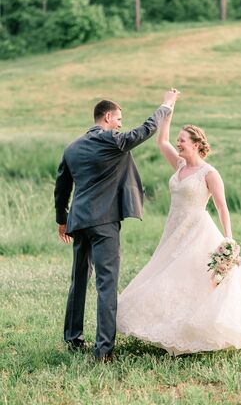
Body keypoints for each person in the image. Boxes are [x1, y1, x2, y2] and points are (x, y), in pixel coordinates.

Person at [117, 109, 241, 355]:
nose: (178, 143)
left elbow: (222, 207)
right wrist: (168, 108)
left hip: (198, 231)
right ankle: (171, 327)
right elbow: (162, 140)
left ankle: (198, 329)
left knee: (196, 278)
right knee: (170, 275)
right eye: (179, 140)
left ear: (195, 144)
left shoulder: (210, 173)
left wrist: (228, 239)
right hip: (174, 229)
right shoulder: (180, 164)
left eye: (182, 140)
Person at [54, 90, 179, 362]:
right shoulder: (111, 140)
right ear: (108, 117)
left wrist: (61, 220)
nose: (121, 124)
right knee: (106, 284)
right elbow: (145, 130)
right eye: (119, 119)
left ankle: (73, 338)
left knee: (79, 280)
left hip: (79, 222)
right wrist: (166, 106)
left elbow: (62, 186)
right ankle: (103, 350)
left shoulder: (72, 147)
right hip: (104, 223)